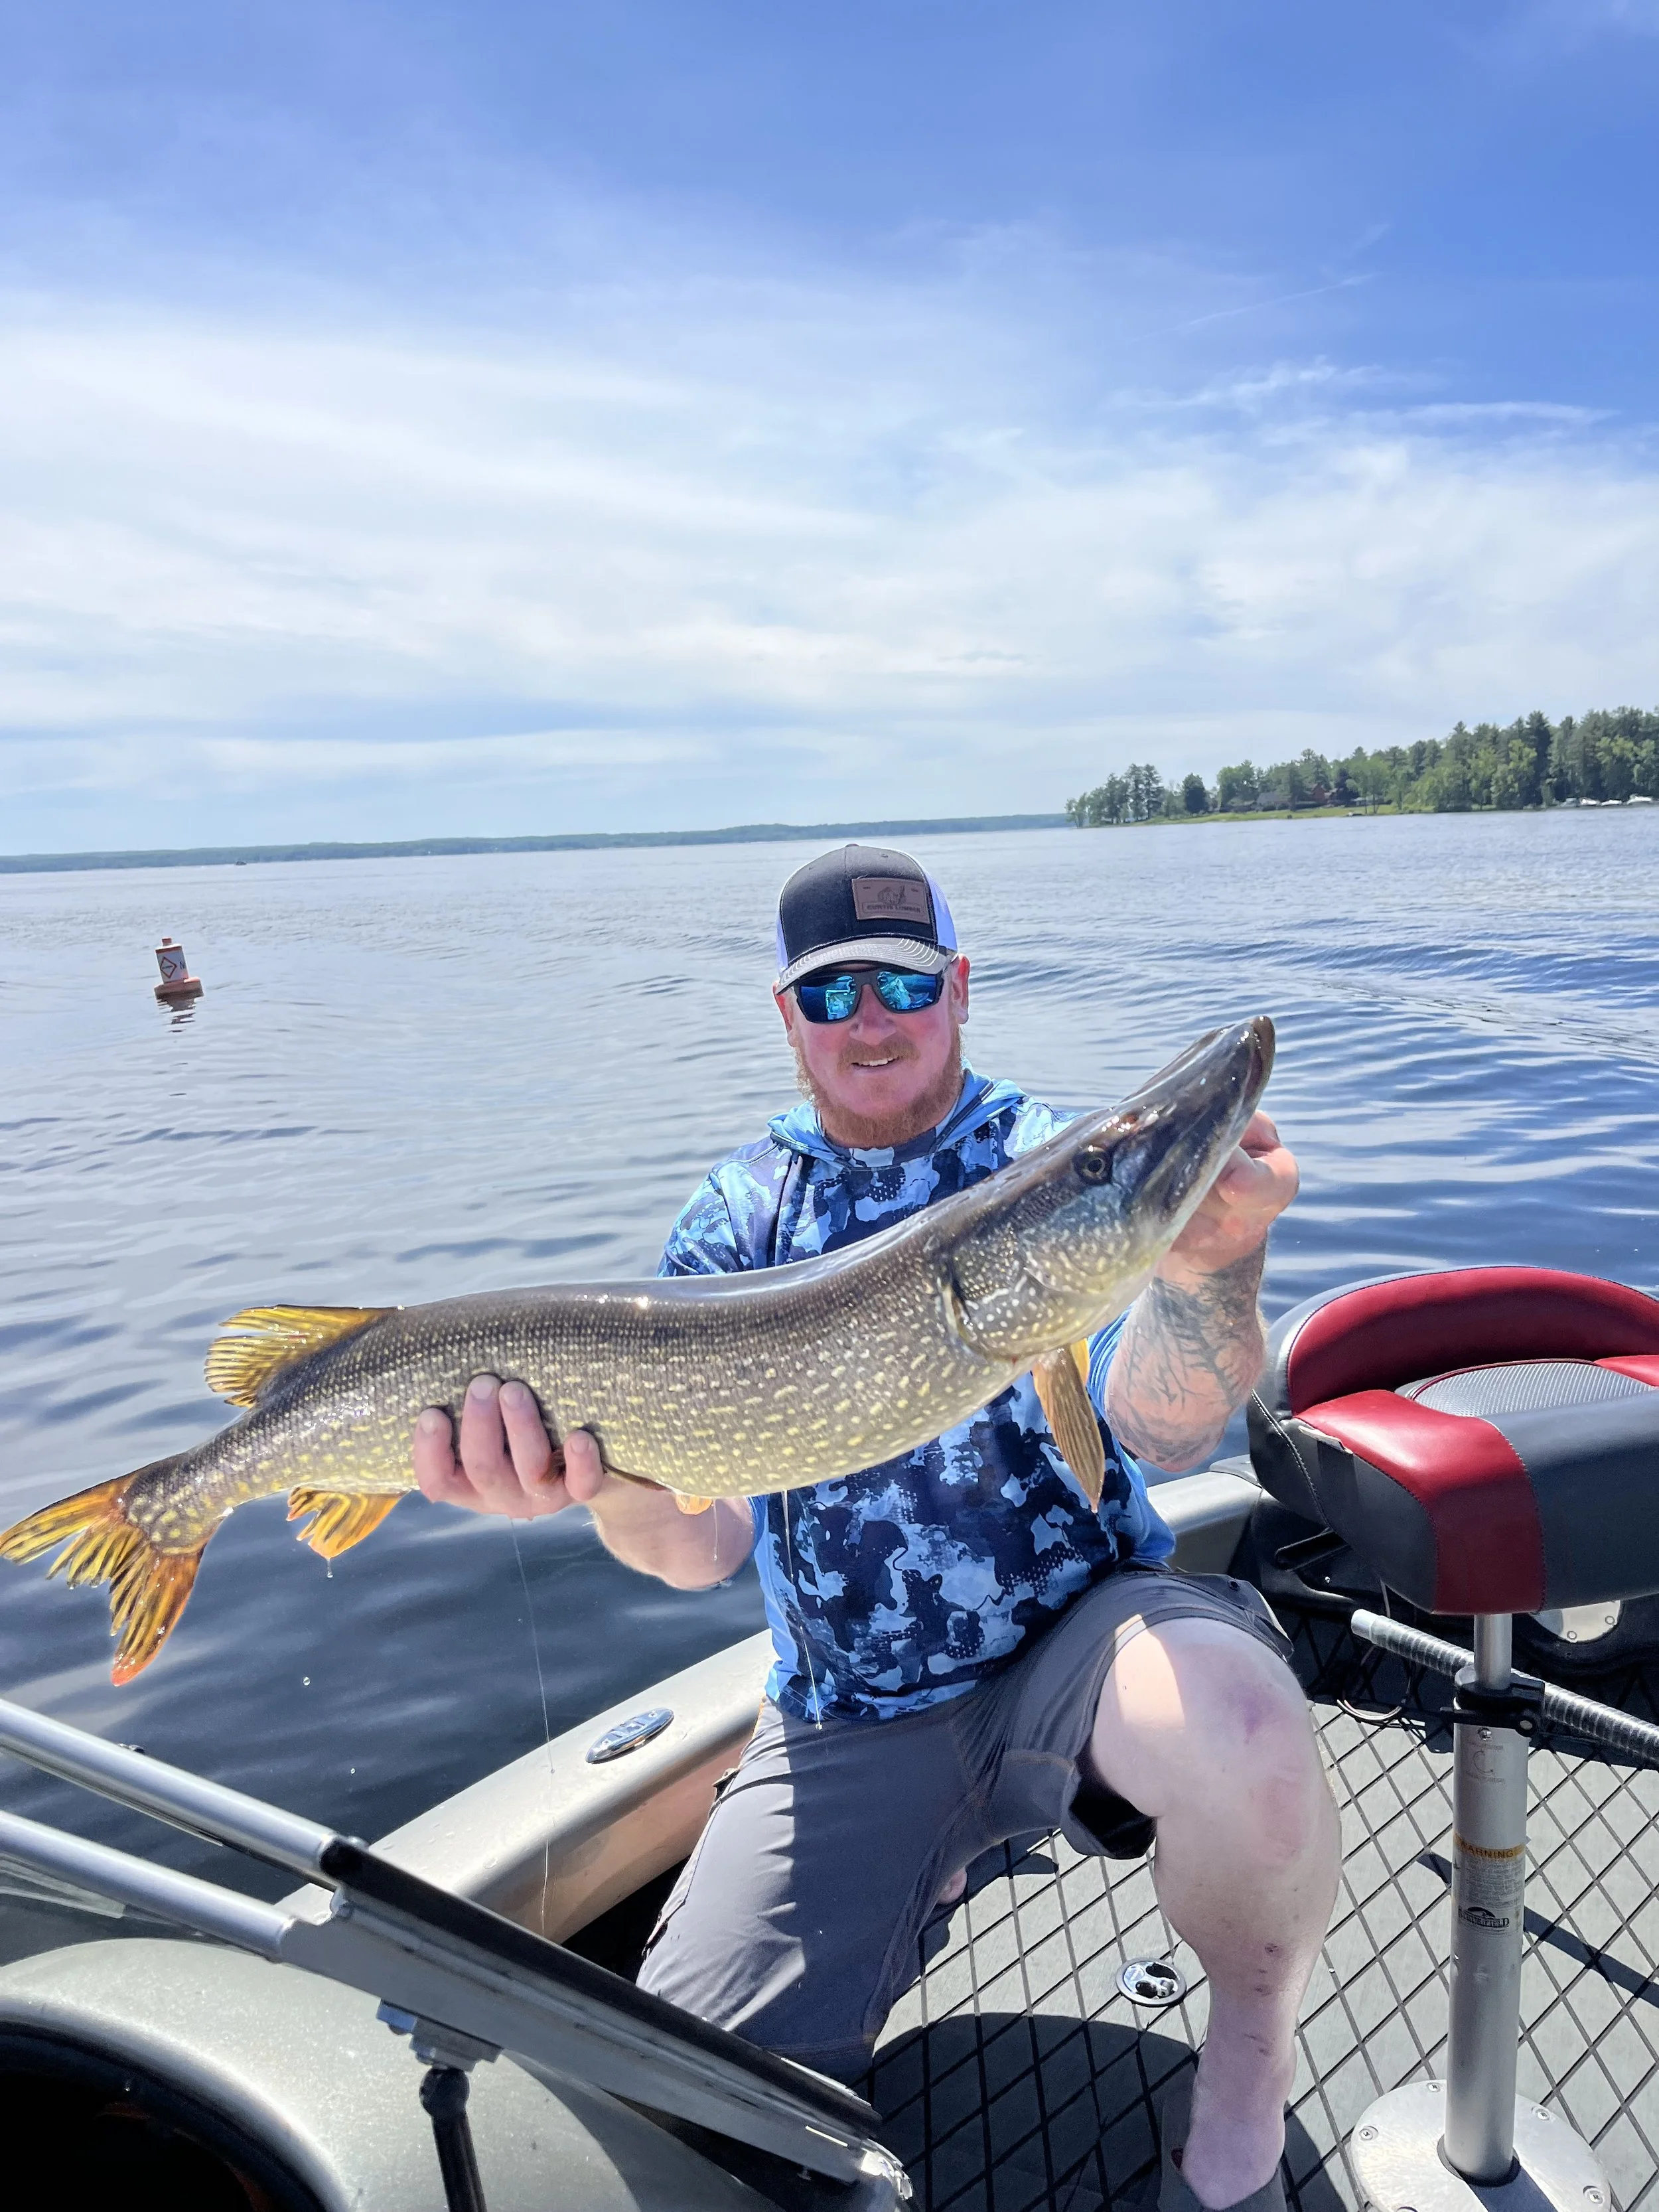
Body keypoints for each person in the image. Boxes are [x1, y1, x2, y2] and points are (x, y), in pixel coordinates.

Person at [413, 843, 1340, 2212]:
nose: (870, 1016)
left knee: (1248, 1738)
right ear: (786, 1017)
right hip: (843, 1709)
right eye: (829, 989)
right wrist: (598, 1481)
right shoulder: (732, 1225)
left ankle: (1245, 2074)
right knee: (668, 2110)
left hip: (1081, 1644)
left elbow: (1157, 1428)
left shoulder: (1041, 1163)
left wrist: (1212, 1265)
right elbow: (702, 1550)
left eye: (901, 979)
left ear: (957, 988)